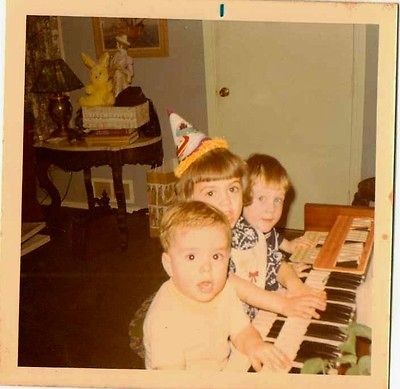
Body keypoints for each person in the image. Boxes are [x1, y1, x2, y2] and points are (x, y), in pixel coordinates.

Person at [170, 112, 326, 321]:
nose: (226, 202)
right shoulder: (193, 240)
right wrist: (283, 304)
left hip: (250, 320)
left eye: (232, 189)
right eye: (211, 193)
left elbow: (274, 261)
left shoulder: (245, 228)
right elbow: (230, 282)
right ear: (189, 198)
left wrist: (295, 286)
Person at [143, 200, 291, 371]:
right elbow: (170, 380)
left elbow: (241, 330)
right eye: (191, 257)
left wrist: (255, 344)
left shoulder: (225, 289)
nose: (206, 268)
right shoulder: (164, 318)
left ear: (228, 258)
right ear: (169, 265)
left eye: (216, 256)